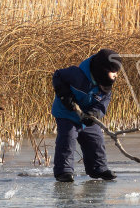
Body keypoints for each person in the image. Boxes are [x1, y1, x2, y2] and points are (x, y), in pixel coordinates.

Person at [50, 49, 122, 182]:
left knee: (96, 139)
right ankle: (64, 171)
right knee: (68, 138)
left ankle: (97, 168)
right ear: (103, 69)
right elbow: (58, 76)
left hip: (87, 117)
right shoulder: (77, 75)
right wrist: (65, 95)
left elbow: (102, 105)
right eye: (113, 71)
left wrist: (93, 114)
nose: (116, 75)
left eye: (117, 72)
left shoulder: (105, 87)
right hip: (67, 113)